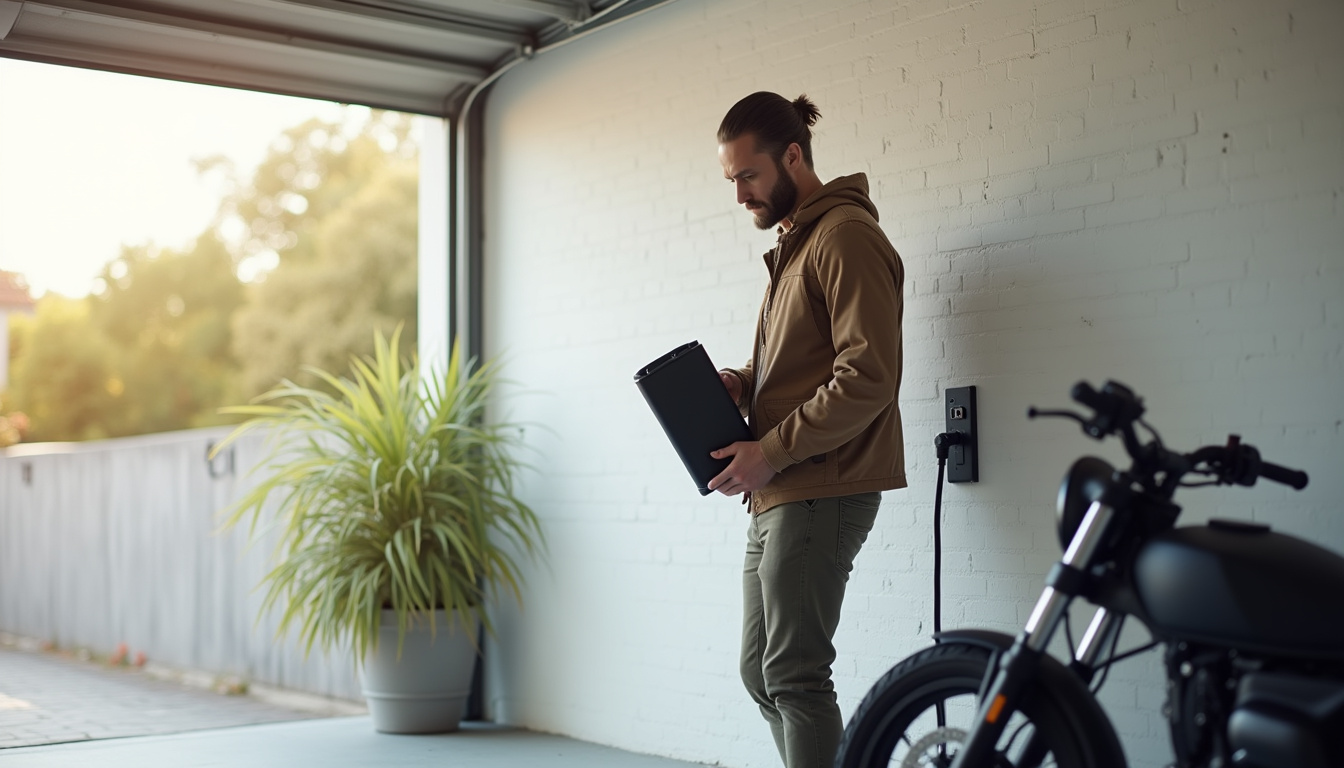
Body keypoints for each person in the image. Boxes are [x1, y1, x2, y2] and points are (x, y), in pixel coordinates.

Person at [708, 91, 906, 768]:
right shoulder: (798, 244)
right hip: (781, 487)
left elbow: (869, 375)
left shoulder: (845, 237)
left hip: (823, 483)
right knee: (761, 672)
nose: (739, 196)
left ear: (793, 156)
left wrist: (771, 450)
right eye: (731, 180)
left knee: (793, 674)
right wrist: (743, 381)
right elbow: (807, 363)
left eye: (748, 175)